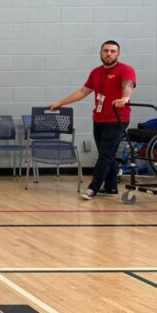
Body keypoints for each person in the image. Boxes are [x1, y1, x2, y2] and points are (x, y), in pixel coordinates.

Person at [50, 40, 136, 200]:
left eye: (112, 51)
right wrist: (60, 103)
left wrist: (125, 98)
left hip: (117, 118)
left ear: (118, 54)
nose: (108, 54)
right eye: (105, 51)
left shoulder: (126, 70)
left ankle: (93, 188)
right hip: (99, 118)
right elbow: (82, 92)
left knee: (104, 155)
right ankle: (110, 188)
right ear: (101, 53)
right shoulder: (96, 72)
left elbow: (128, 84)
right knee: (106, 154)